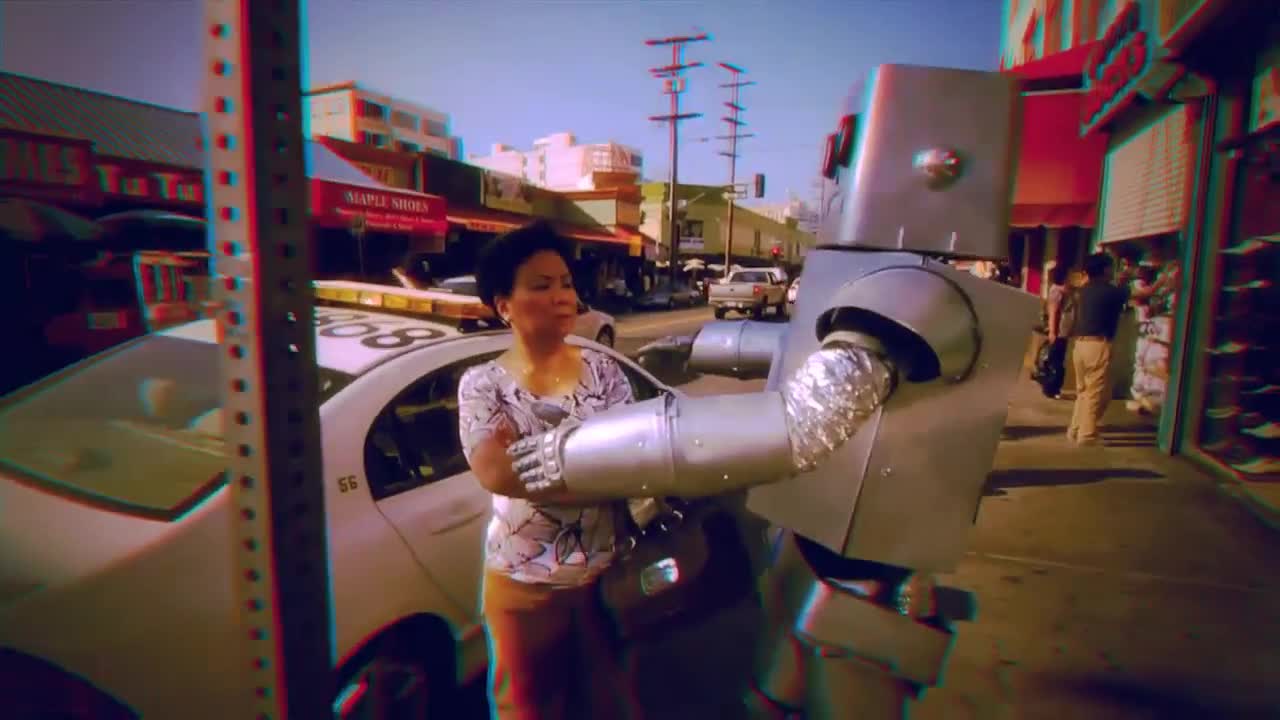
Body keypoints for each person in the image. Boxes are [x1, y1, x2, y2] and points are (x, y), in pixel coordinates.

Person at [456, 220, 639, 719]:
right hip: (524, 586)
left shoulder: (603, 368)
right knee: (526, 710)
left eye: (565, 283)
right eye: (541, 286)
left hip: (603, 577)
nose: (562, 297)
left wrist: (535, 459)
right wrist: (596, 467)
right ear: (504, 305)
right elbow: (496, 473)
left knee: (608, 704)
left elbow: (633, 455)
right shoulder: (483, 385)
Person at [1067, 252, 1130, 446]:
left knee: (1083, 392)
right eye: (1111, 267)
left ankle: (1075, 429)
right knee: (1095, 393)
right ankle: (1087, 434)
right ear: (1105, 269)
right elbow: (1138, 294)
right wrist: (1161, 282)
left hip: (1079, 345)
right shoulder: (1111, 291)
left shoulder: (1083, 291)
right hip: (1097, 345)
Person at [1041, 263, 1074, 398]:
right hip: (1059, 332)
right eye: (1069, 275)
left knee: (1057, 360)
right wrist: (1052, 331)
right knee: (1055, 361)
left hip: (1063, 332)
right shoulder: (1057, 291)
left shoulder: (1063, 291)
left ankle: (1053, 388)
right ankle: (1051, 388)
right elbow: (1053, 312)